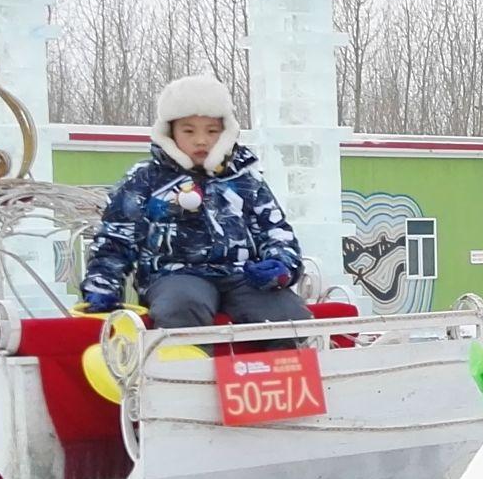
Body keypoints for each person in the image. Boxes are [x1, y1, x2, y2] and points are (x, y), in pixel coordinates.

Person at [82, 74, 312, 344]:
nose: (201, 141)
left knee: (287, 314)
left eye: (211, 131)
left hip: (242, 275)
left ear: (226, 132)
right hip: (175, 275)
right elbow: (117, 237)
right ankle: (189, 379)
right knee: (181, 307)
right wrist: (103, 285)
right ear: (169, 133)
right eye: (189, 131)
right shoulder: (146, 179)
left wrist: (281, 265)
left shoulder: (245, 179)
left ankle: (279, 381)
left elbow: (274, 229)